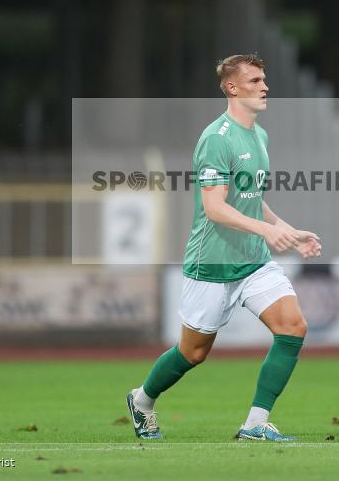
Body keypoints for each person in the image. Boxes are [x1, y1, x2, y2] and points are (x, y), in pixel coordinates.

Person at [126, 53, 322, 442]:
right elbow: (215, 208)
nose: (264, 87)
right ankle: (142, 400)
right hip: (212, 263)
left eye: (264, 80)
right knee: (193, 353)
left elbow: (250, 197)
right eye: (254, 81)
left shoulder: (259, 135)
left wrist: (286, 229)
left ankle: (255, 422)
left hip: (253, 261)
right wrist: (267, 232)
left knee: (293, 326)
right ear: (232, 88)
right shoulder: (216, 139)